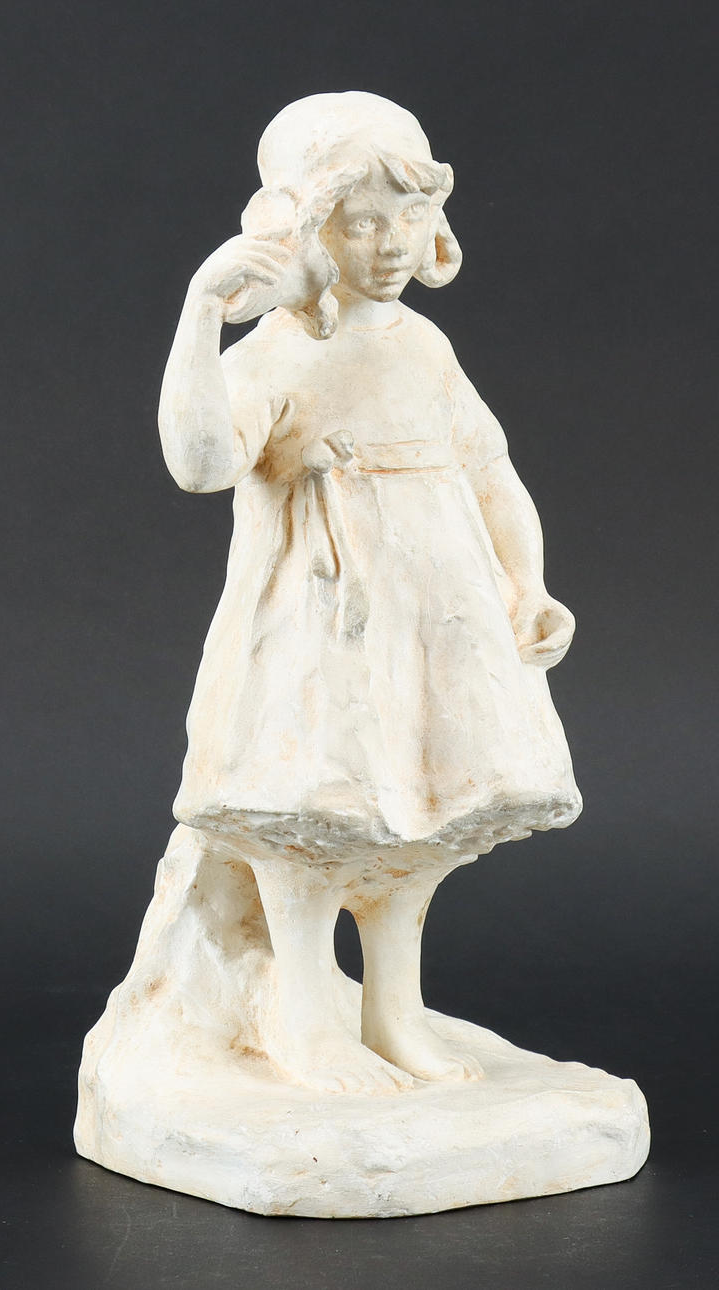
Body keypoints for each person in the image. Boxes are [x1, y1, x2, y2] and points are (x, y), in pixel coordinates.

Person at [156, 92, 580, 1094]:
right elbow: (201, 462)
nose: (392, 245)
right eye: (360, 222)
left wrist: (528, 582)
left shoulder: (424, 347)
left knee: (417, 825)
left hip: (436, 627)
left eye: (410, 215)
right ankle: (307, 1023)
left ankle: (394, 1012)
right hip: (320, 629)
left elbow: (489, 470)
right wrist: (203, 311)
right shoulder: (276, 353)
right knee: (319, 820)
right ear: (304, 230)